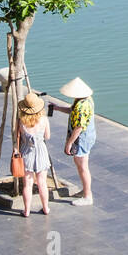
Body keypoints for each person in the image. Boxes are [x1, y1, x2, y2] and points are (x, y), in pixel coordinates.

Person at [51, 77, 96, 205]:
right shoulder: (85, 100)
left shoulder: (82, 106)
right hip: (88, 135)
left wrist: (69, 143)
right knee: (81, 165)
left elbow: (79, 127)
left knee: (82, 166)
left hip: (82, 138)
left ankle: (88, 196)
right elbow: (72, 111)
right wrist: (58, 108)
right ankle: (86, 190)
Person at [13, 92, 51, 217]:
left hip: (26, 152)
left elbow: (17, 137)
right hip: (41, 151)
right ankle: (45, 208)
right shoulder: (44, 120)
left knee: (27, 184)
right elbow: (47, 136)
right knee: (42, 183)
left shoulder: (21, 121)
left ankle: (27, 210)